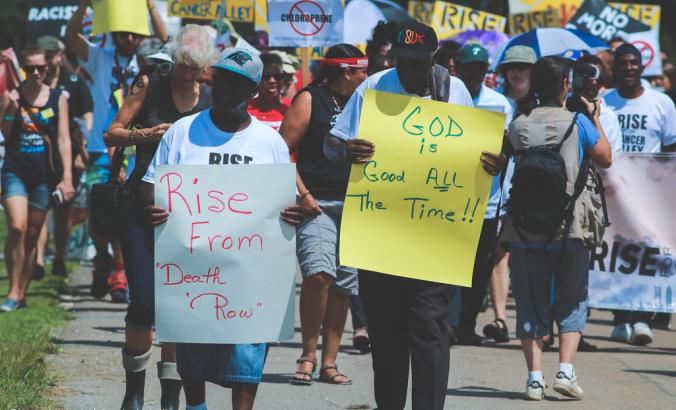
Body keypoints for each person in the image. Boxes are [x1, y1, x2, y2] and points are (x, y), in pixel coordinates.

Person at [325, 21, 503, 410]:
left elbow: (475, 153)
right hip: (380, 232)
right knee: (387, 332)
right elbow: (331, 142)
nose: (407, 70)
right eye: (401, 62)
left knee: (428, 327)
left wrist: (493, 161)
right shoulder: (373, 87)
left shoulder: (453, 90)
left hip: (433, 236)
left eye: (416, 63)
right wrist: (347, 151)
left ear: (433, 60)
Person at [140, 47, 302, 410]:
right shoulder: (182, 132)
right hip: (194, 266)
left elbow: (284, 202)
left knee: (248, 346)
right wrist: (153, 206)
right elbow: (151, 185)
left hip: (249, 271)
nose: (227, 88)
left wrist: (292, 215)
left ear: (254, 91)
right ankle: (196, 405)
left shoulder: (270, 144)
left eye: (238, 83)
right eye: (223, 78)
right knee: (192, 340)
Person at [104, 24, 215, 410]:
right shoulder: (149, 83)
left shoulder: (215, 97)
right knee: (144, 305)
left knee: (176, 308)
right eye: (182, 65)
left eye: (195, 67)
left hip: (191, 214)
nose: (187, 74)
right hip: (141, 206)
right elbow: (112, 133)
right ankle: (134, 390)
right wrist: (148, 134)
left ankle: (170, 397)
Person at [500, 56, 612, 401]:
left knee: (530, 302)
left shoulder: (518, 123)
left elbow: (501, 158)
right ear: (565, 85)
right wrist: (594, 116)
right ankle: (565, 371)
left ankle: (534, 379)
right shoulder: (578, 122)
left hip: (525, 226)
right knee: (571, 298)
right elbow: (605, 157)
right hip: (569, 226)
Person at [65, 0, 168, 302]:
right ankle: (102, 259)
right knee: (100, 210)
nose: (131, 39)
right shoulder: (99, 57)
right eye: (125, 34)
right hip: (101, 144)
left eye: (135, 35)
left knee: (126, 209)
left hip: (135, 146)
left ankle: (119, 271)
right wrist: (86, 6)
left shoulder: (148, 65)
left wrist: (150, 8)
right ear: (114, 34)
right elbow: (71, 37)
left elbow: (168, 42)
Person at [280, 44, 368, 385]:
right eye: (363, 71)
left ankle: (330, 362)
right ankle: (308, 355)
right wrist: (303, 194)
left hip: (359, 205)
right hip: (317, 204)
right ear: (347, 72)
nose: (367, 76)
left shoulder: (367, 101)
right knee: (318, 275)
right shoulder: (309, 99)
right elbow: (281, 151)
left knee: (345, 285)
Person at [603, 43, 676, 345]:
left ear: (643, 67)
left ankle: (643, 318)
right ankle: (621, 319)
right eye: (623, 63)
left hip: (650, 194)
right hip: (614, 191)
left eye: (634, 63)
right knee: (618, 255)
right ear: (615, 68)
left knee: (647, 253)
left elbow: (671, 150)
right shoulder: (604, 103)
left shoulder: (661, 104)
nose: (629, 67)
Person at [0, 46, 75, 312]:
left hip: (44, 175)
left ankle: (21, 292)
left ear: (47, 68)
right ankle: (12, 291)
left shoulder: (58, 98)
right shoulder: (13, 95)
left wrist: (66, 178)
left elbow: (64, 139)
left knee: (33, 234)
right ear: (24, 69)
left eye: (40, 68)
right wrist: (9, 107)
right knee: (17, 227)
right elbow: (6, 132)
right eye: (29, 68)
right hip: (14, 170)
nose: (35, 73)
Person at [453, 44, 513, 345]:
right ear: (458, 68)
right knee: (449, 265)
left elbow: (510, 150)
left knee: (479, 269)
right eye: (468, 67)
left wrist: (504, 169)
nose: (474, 73)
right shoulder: (447, 96)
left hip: (486, 201)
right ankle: (449, 324)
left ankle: (467, 325)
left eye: (479, 68)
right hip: (448, 197)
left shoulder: (499, 102)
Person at [32, 35, 92, 280]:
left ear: (59, 55)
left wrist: (83, 149)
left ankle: (58, 258)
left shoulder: (74, 81)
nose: (45, 59)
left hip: (69, 154)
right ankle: (36, 260)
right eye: (42, 54)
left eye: (49, 54)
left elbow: (88, 113)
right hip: (40, 154)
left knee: (62, 210)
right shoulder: (35, 79)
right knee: (39, 209)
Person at [247, 53, 289, 131]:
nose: (272, 81)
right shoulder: (245, 109)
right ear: (257, 79)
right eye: (266, 76)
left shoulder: (290, 109)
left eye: (277, 76)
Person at [498, 45, 536, 112]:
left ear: (532, 69)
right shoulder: (494, 98)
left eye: (521, 66)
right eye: (510, 66)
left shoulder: (543, 100)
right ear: (504, 70)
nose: (515, 70)